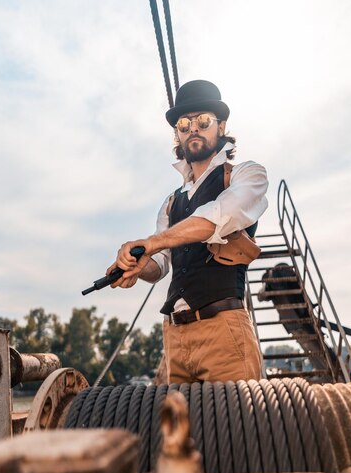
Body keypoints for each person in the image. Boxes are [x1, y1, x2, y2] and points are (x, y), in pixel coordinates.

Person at [107, 79, 268, 384]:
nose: (193, 128)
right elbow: (161, 265)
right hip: (174, 338)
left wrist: (151, 243)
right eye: (184, 124)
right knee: (179, 432)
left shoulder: (246, 175)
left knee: (236, 429)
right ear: (178, 135)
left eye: (203, 121)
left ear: (220, 127)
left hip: (224, 332)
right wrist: (139, 265)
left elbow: (218, 217)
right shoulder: (172, 202)